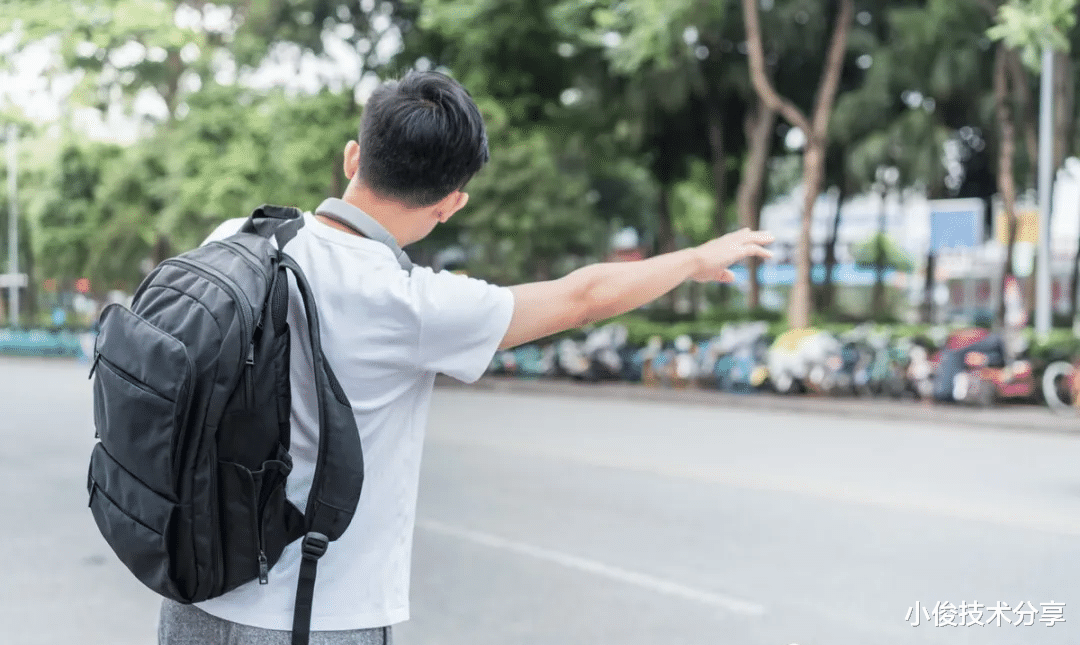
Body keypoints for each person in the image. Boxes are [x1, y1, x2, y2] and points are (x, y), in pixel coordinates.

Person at [157, 70, 773, 645]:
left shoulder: (240, 236)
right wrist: (695, 259)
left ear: (353, 156)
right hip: (314, 617)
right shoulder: (412, 303)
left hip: (192, 587)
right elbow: (581, 297)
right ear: (452, 203)